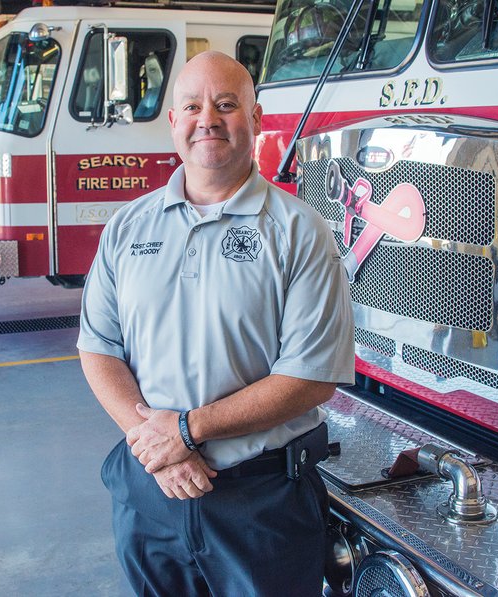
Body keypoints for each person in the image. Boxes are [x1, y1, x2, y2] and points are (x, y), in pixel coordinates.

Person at [77, 51, 354, 596]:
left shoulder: (301, 233)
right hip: (151, 492)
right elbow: (99, 348)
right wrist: (154, 449)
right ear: (174, 123)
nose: (209, 119)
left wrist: (186, 431)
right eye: (193, 106)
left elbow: (311, 376)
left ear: (255, 119)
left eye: (226, 105)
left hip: (261, 503)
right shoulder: (127, 227)